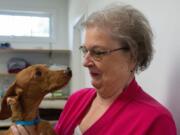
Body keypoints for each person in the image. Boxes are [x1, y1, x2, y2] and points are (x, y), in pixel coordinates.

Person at [11, 3, 177, 135]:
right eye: (85, 50)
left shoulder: (155, 121)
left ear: (132, 57)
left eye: (98, 52)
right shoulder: (77, 100)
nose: (85, 62)